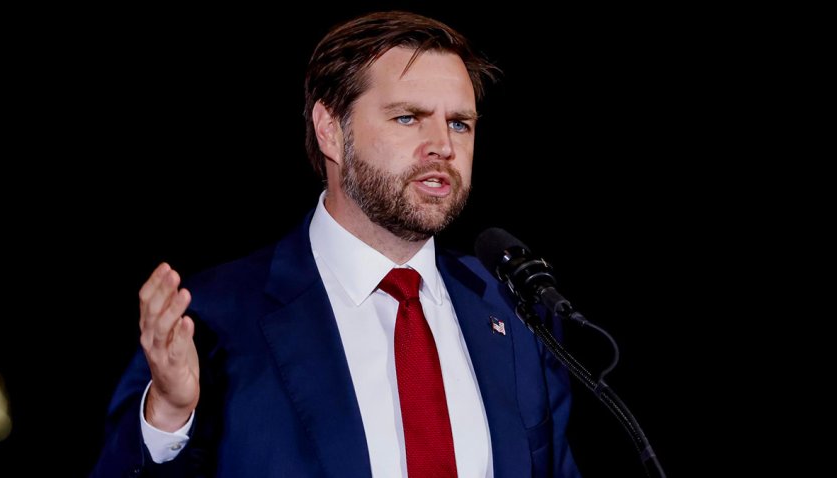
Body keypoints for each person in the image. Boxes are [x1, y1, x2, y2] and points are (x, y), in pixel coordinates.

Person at [92, 10, 581, 478]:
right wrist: (169, 415)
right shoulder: (215, 316)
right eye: (408, 118)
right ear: (331, 130)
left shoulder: (516, 314)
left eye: (459, 123)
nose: (444, 146)